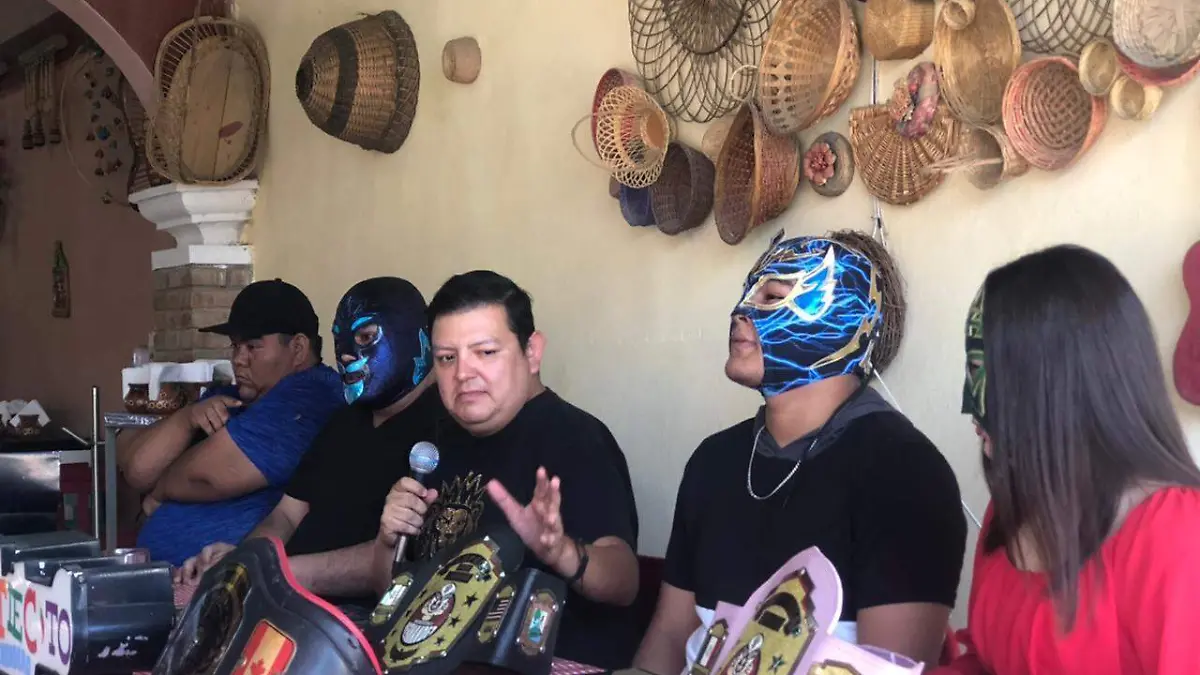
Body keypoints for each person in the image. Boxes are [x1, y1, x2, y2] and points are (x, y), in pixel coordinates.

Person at [635, 231, 966, 673]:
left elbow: (889, 665)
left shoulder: (906, 474)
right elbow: (672, 632)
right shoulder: (713, 461)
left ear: (841, 322)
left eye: (772, 296)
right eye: (747, 293)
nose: (740, 311)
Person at [933, 246, 1200, 675]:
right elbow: (988, 663)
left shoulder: (1178, 538)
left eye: (989, 374)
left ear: (1059, 387)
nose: (973, 410)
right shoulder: (1012, 506)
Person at [375, 270, 640, 669]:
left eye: (485, 352)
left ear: (532, 352)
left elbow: (625, 582)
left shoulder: (576, 438)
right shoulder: (433, 446)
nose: (463, 373)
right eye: (447, 358)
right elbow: (389, 598)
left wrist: (563, 553)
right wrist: (387, 540)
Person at [175, 277, 444, 622]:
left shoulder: (440, 431)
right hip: (284, 603)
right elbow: (286, 514)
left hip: (348, 625)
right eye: (339, 339)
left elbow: (394, 556)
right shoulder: (346, 420)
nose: (345, 353)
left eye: (365, 338)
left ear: (412, 335)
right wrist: (242, 563)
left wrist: (270, 575)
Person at [119, 279, 343, 566]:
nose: (239, 359)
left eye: (252, 346)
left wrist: (160, 490)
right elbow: (137, 470)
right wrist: (186, 419)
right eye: (235, 346)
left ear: (298, 348)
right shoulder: (229, 395)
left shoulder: (311, 395)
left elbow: (209, 476)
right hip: (166, 575)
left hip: (228, 578)